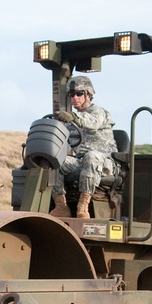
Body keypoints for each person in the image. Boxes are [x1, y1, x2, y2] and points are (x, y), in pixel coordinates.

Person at [49, 75, 118, 219]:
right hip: (82, 163)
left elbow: (92, 123)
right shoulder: (71, 122)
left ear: (89, 94)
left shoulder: (98, 112)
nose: (75, 98)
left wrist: (73, 117)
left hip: (105, 164)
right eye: (72, 94)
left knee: (92, 155)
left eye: (79, 94)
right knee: (53, 161)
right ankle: (61, 205)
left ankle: (83, 206)